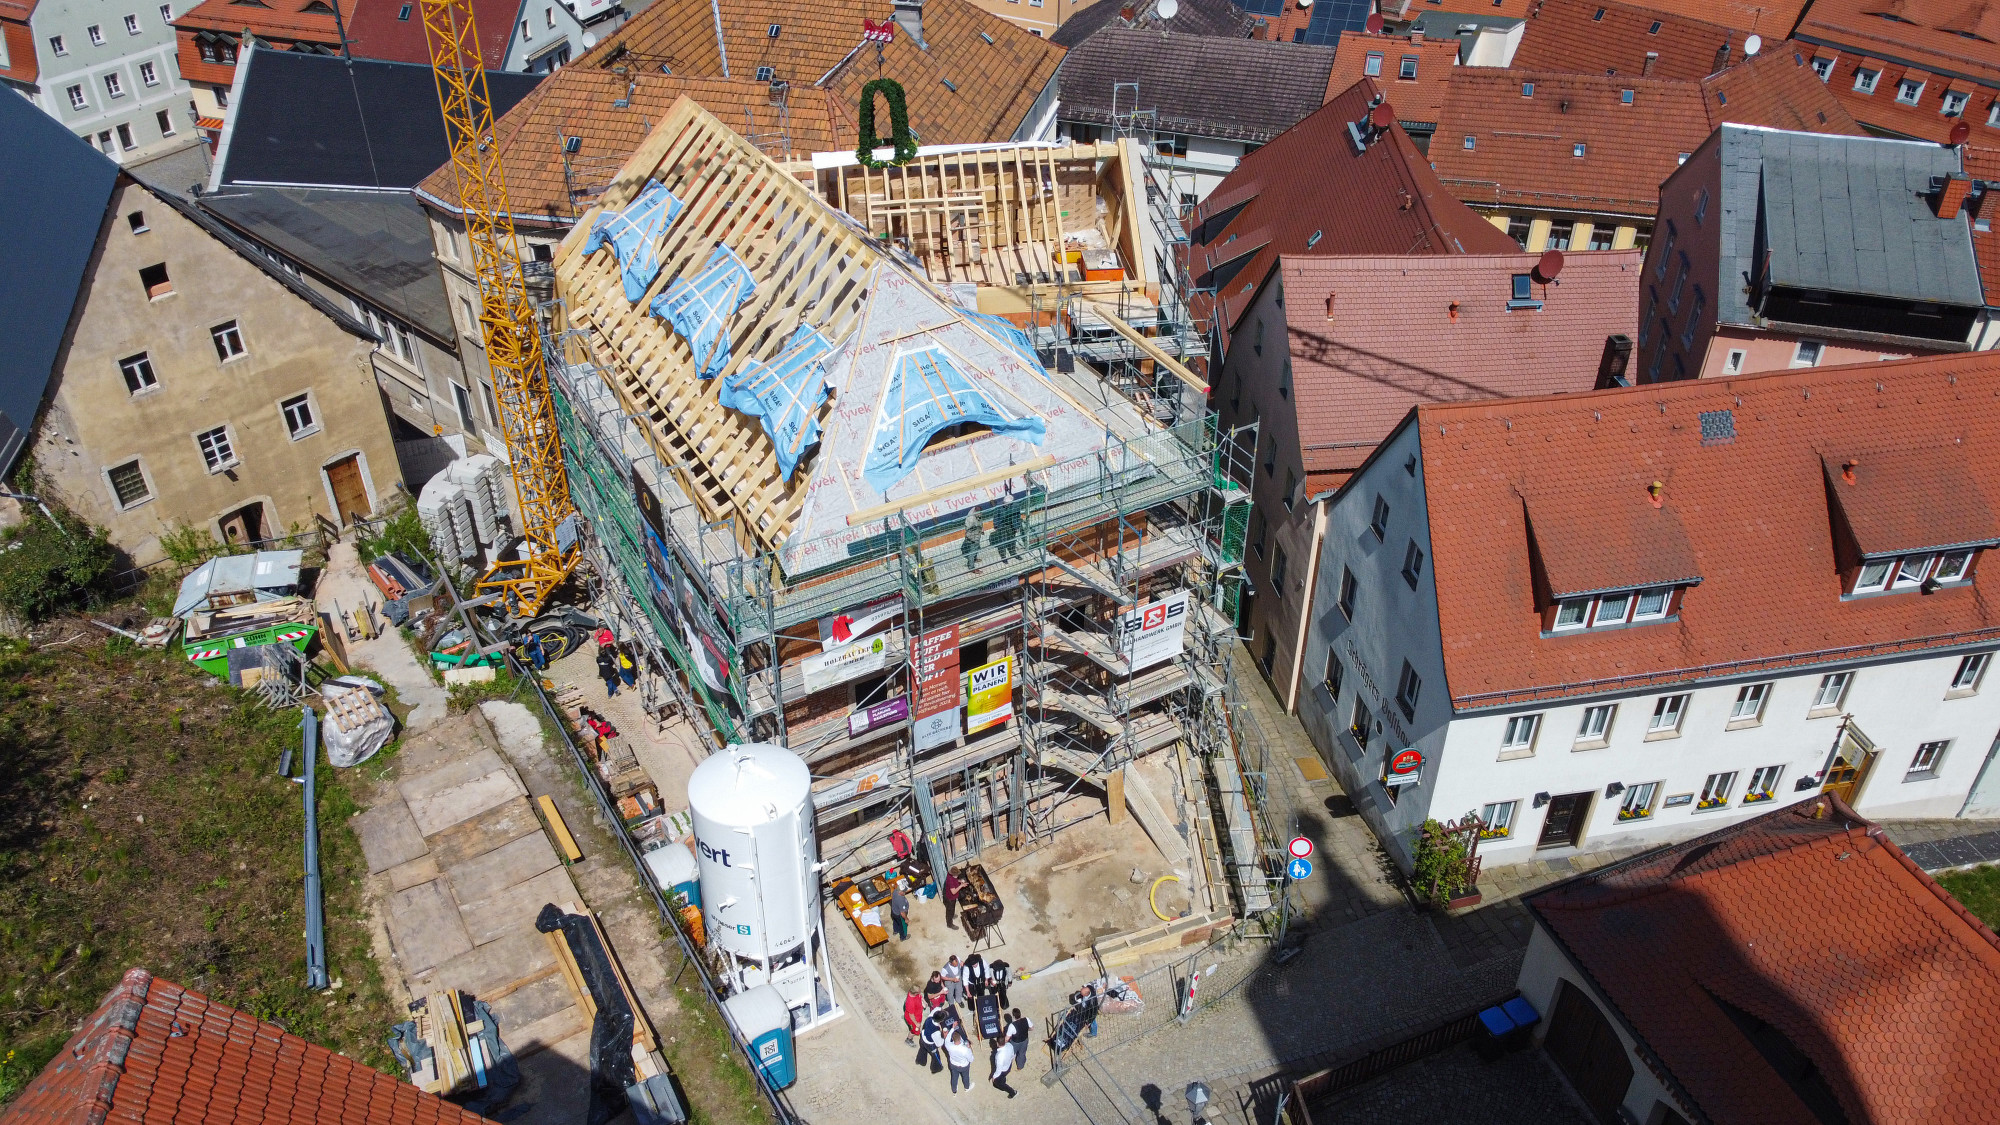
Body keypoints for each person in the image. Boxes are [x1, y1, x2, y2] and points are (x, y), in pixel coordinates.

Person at [990, 1025, 1017, 1098]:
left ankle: (1012, 1092)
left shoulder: (999, 1056)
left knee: (997, 1083)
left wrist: (994, 1077)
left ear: (997, 1043)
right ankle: (1003, 1081)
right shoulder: (1009, 1045)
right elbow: (1013, 1055)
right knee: (1002, 1078)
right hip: (1008, 1066)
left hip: (1003, 1070)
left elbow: (998, 1069)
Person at [945, 1028, 975, 1094]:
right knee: (966, 1077)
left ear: (952, 1039)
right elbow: (971, 1059)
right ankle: (967, 1087)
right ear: (960, 1038)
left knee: (954, 1077)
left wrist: (952, 1029)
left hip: (953, 1064)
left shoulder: (948, 1046)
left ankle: (954, 1090)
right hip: (964, 1066)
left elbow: (947, 1039)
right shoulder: (965, 1049)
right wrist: (969, 1048)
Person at [917, 1008, 947, 1073]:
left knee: (922, 1050)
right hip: (929, 1044)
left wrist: (940, 1010)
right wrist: (944, 1036)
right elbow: (939, 1044)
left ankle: (920, 1061)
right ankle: (936, 1069)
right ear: (940, 1021)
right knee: (936, 1056)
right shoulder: (936, 1031)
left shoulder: (929, 1018)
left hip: (923, 1038)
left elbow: (935, 1009)